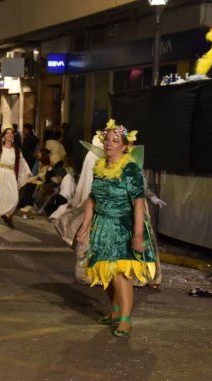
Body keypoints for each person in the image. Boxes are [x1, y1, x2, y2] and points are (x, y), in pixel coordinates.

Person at [76, 120, 156, 338]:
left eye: (115, 141)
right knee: (105, 272)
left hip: (122, 225)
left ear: (125, 146)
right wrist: (85, 224)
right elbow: (93, 198)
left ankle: (126, 320)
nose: (109, 144)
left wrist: (138, 234)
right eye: (107, 140)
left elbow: (138, 202)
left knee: (120, 273)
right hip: (102, 225)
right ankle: (115, 311)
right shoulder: (100, 167)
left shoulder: (130, 169)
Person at [0, 125, 31, 230]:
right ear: (4, 136)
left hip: (10, 174)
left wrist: (28, 172)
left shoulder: (16, 150)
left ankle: (6, 215)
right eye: (7, 133)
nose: (9, 135)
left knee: (13, 197)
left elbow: (22, 162)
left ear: (13, 136)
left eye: (11, 133)